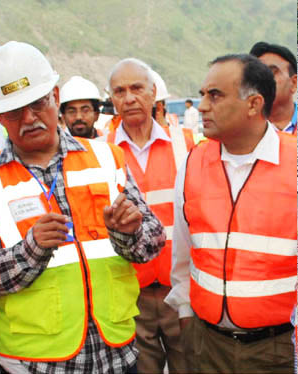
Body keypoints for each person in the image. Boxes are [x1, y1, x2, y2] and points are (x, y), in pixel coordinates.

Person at [0, 41, 166, 374]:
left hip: (116, 352)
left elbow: (152, 241)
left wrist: (129, 233)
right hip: (36, 363)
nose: (29, 118)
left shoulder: (105, 157)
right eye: (14, 111)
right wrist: (30, 251)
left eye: (37, 103)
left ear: (54, 97)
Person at [165, 54, 296, 374]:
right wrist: (185, 314)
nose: (202, 106)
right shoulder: (193, 162)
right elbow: (184, 252)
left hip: (275, 349)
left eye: (215, 95)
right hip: (204, 343)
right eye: (202, 94)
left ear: (253, 104)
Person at [105, 58, 194, 374]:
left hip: (181, 293)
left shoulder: (186, 143)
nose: (128, 98)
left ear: (153, 91)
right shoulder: (100, 153)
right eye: (120, 91)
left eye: (137, 88)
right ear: (112, 98)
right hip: (130, 298)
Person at [250, 41, 297, 134]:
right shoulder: (240, 130)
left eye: (271, 72)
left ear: (294, 83)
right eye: (257, 74)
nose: (263, 79)